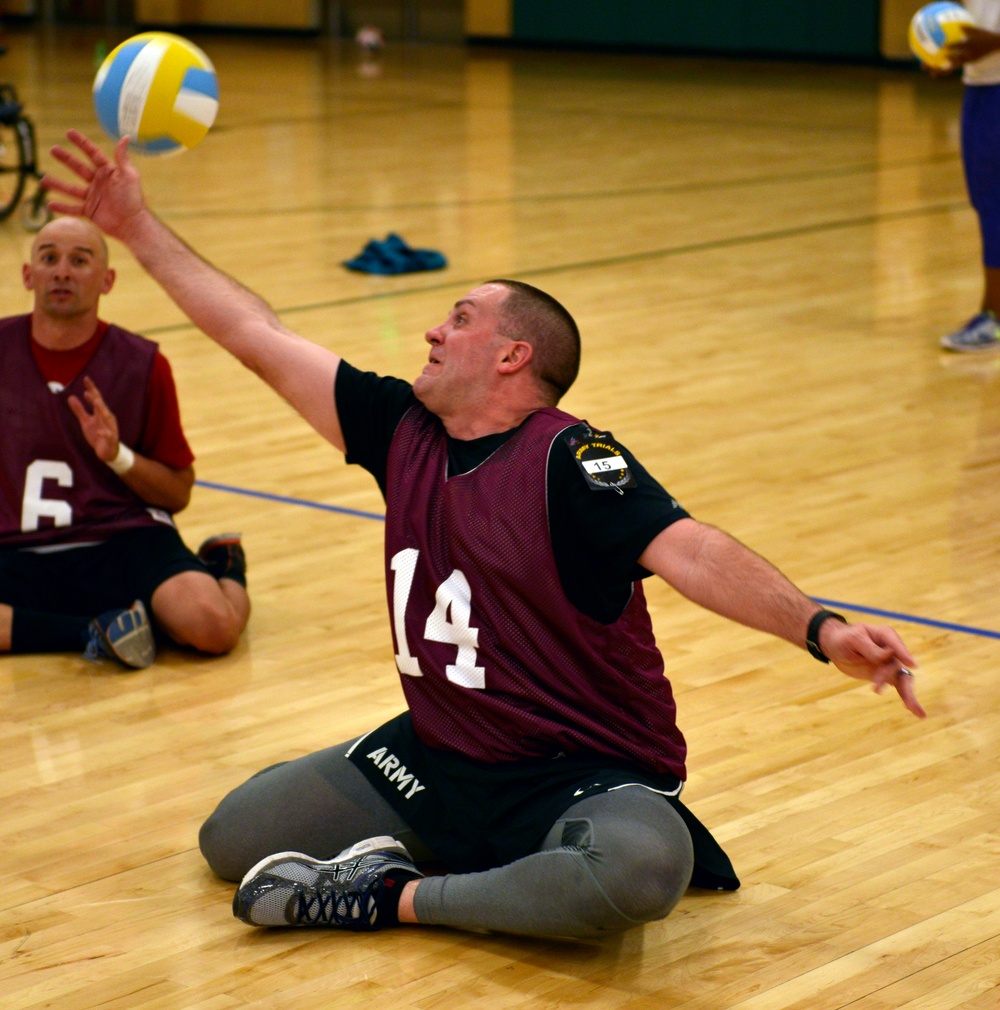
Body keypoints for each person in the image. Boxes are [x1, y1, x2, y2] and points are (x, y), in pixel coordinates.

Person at [43, 130, 925, 940]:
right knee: (233, 838)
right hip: (440, 754)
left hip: (578, 769)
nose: (432, 328)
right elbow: (253, 333)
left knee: (641, 873)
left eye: (460, 318)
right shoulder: (399, 429)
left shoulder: (571, 460)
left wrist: (823, 630)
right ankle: (450, 869)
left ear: (512, 358)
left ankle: (386, 896)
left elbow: (692, 549)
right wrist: (138, 225)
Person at [1, 215, 250, 669]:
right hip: (16, 549)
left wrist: (118, 457)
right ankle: (97, 631)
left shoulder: (143, 364)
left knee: (212, 627)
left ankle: (226, 566)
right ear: (27, 274)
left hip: (121, 541)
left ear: (107, 280)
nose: (62, 271)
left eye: (80, 260)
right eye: (49, 258)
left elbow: (177, 493)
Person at [936, 3, 1000, 351]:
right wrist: (946, 52)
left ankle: (994, 317)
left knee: (995, 206)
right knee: (985, 201)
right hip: (980, 88)